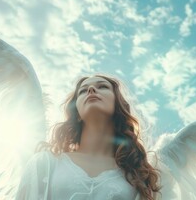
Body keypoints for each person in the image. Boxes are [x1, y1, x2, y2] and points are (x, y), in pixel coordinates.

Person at [15, 74, 161, 200]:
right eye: (83, 91)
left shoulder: (137, 176)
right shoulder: (46, 162)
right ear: (76, 111)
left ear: (118, 104)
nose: (91, 90)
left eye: (103, 87)